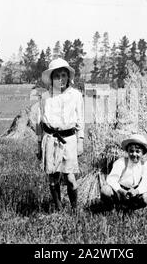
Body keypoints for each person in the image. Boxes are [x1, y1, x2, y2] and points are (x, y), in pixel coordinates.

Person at [36, 58, 84, 211]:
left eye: (64, 75)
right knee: (53, 177)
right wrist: (39, 145)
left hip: (68, 140)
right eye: (57, 76)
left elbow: (80, 120)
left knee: (70, 177)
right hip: (50, 139)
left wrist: (80, 141)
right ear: (51, 79)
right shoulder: (45, 97)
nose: (61, 79)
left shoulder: (76, 95)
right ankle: (59, 208)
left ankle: (75, 209)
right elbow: (40, 123)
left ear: (68, 77)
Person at [100, 134, 147, 210]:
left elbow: (146, 183)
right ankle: (112, 208)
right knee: (105, 190)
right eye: (131, 151)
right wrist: (121, 191)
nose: (134, 154)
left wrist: (137, 191)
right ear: (127, 151)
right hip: (119, 191)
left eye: (138, 151)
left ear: (143, 153)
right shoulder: (121, 162)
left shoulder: (145, 165)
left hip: (135, 192)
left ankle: (131, 209)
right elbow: (111, 179)